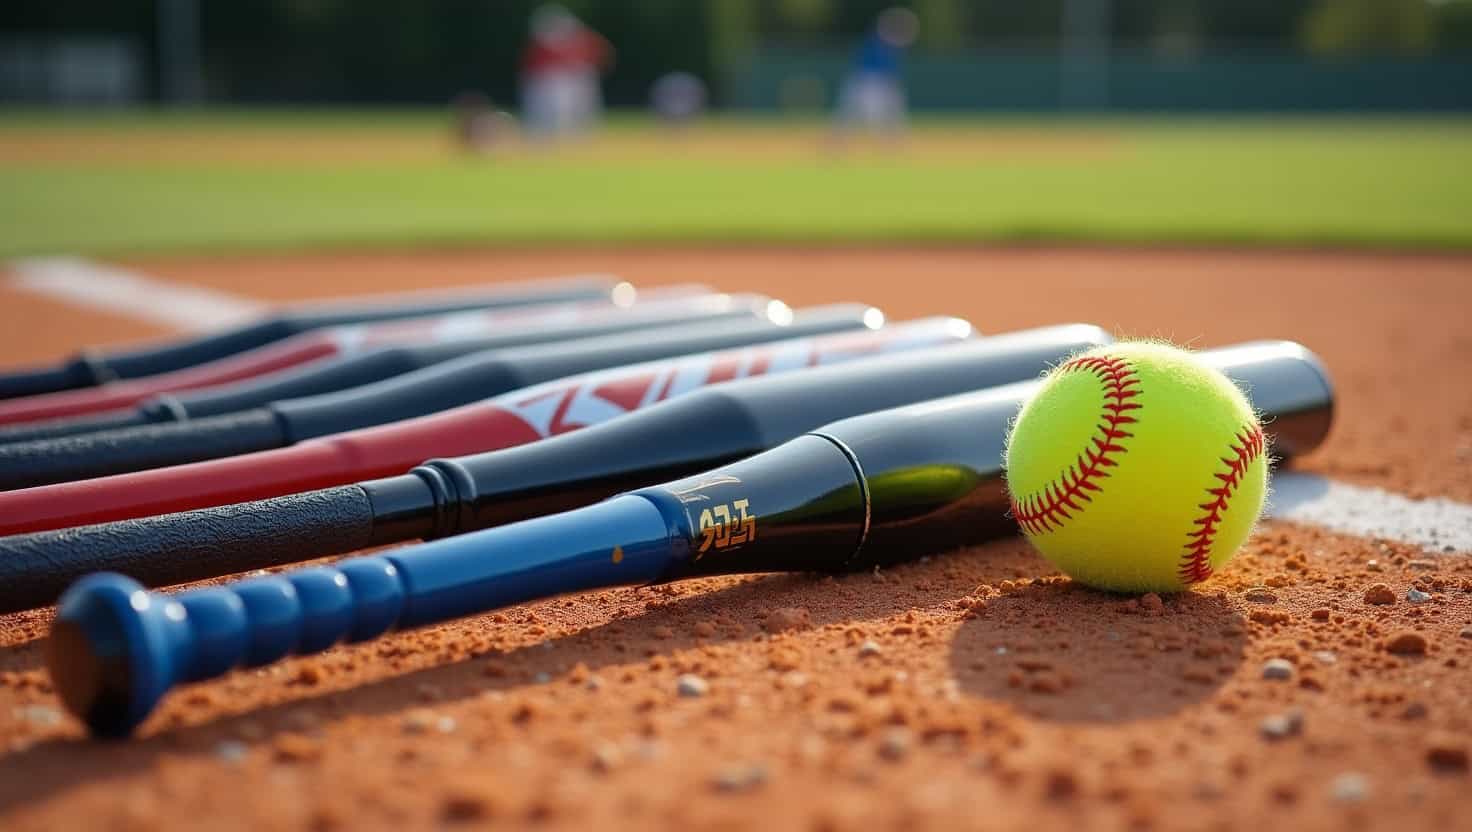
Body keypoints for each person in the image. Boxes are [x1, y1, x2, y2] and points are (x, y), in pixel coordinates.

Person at [520, 5, 613, 142]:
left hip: (574, 80)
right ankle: (547, 139)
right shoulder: (539, 49)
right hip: (548, 83)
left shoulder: (583, 39)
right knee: (546, 118)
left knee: (579, 114)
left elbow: (604, 53)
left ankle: (577, 138)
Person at [832, 7, 918, 143]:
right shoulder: (875, 42)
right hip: (867, 82)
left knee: (891, 112)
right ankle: (840, 140)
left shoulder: (891, 47)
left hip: (882, 83)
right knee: (858, 114)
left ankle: (892, 140)